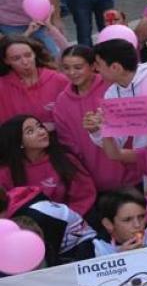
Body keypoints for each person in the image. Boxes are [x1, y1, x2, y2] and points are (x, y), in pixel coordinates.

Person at [52, 44, 138, 191]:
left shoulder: (112, 87)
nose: (72, 73)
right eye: (66, 68)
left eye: (78, 67)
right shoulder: (62, 101)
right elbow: (67, 142)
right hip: (94, 177)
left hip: (131, 170)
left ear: (93, 66)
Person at [0, 114, 95, 214]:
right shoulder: (6, 172)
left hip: (70, 221)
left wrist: (65, 219)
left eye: (40, 126)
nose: (41, 132)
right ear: (19, 142)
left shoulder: (65, 159)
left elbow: (83, 196)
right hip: (27, 226)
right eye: (30, 131)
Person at [0, 35, 70, 129]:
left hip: (60, 138)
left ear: (35, 54)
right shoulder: (2, 87)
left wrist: (55, 125)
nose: (25, 62)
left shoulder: (59, 80)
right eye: (16, 58)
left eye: (28, 55)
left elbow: (76, 116)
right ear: (6, 61)